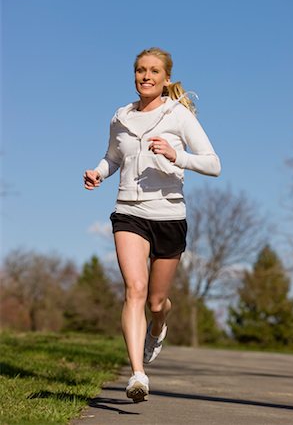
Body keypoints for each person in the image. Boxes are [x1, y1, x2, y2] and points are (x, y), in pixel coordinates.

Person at [83, 47, 221, 403]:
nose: (146, 76)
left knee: (156, 302)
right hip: (128, 210)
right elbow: (113, 156)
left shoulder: (179, 116)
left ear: (166, 79)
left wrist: (179, 156)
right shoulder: (121, 117)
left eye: (153, 71)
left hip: (169, 215)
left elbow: (213, 163)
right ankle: (138, 375)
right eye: (140, 70)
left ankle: (158, 326)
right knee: (135, 289)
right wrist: (99, 172)